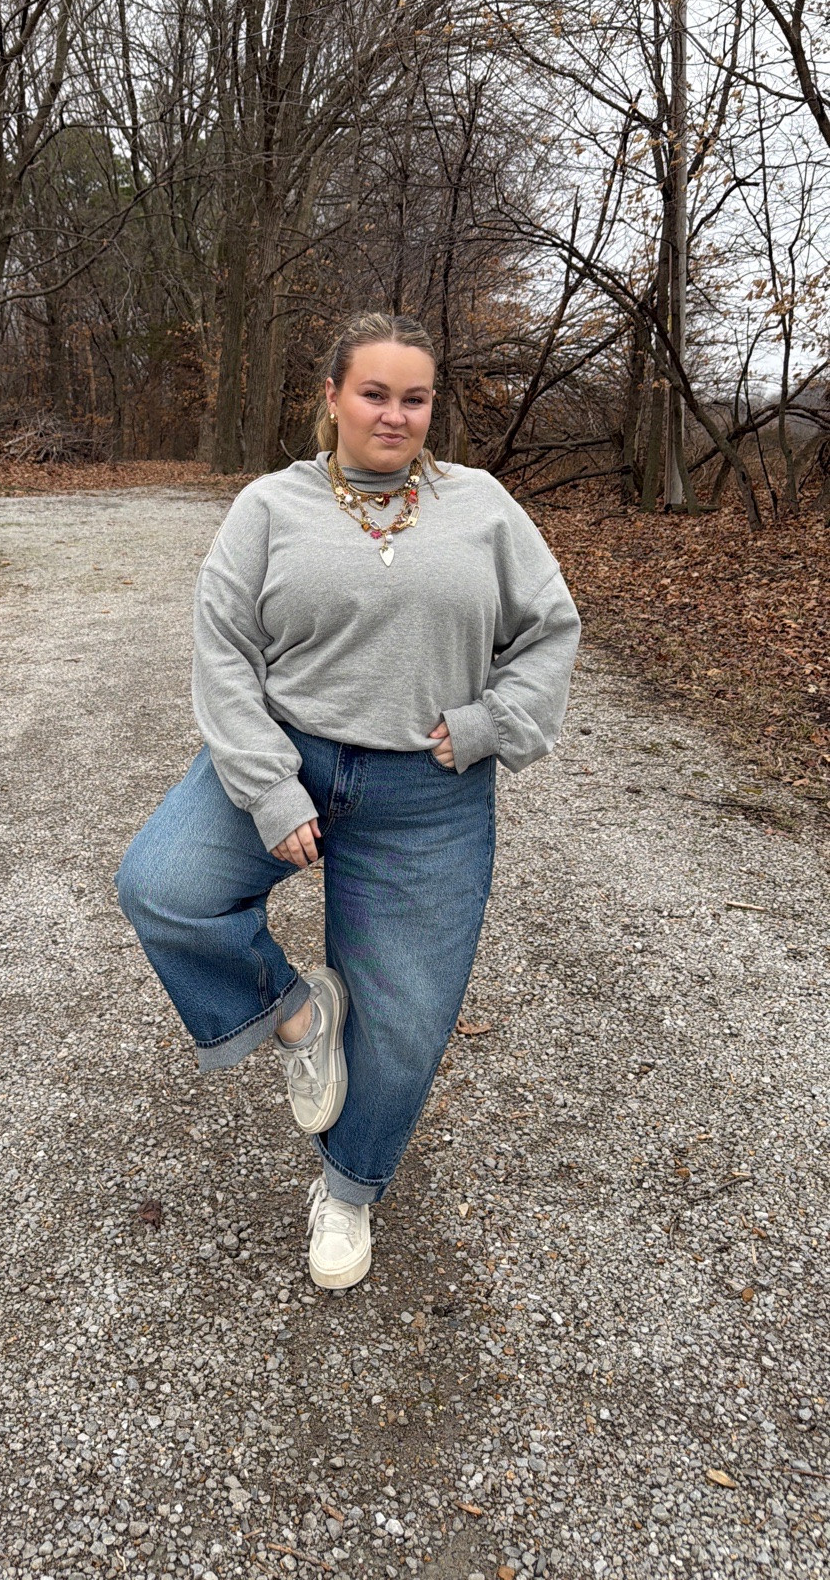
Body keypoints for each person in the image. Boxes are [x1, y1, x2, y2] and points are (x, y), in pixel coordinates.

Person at [114, 312, 580, 1291]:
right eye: (374, 393)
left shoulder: (483, 508)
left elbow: (550, 631)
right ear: (331, 398)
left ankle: (349, 1190)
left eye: (415, 398)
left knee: (408, 1022)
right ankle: (296, 1018)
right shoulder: (270, 509)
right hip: (288, 760)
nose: (395, 414)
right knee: (163, 886)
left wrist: (495, 722)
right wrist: (269, 787)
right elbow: (223, 651)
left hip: (430, 796)